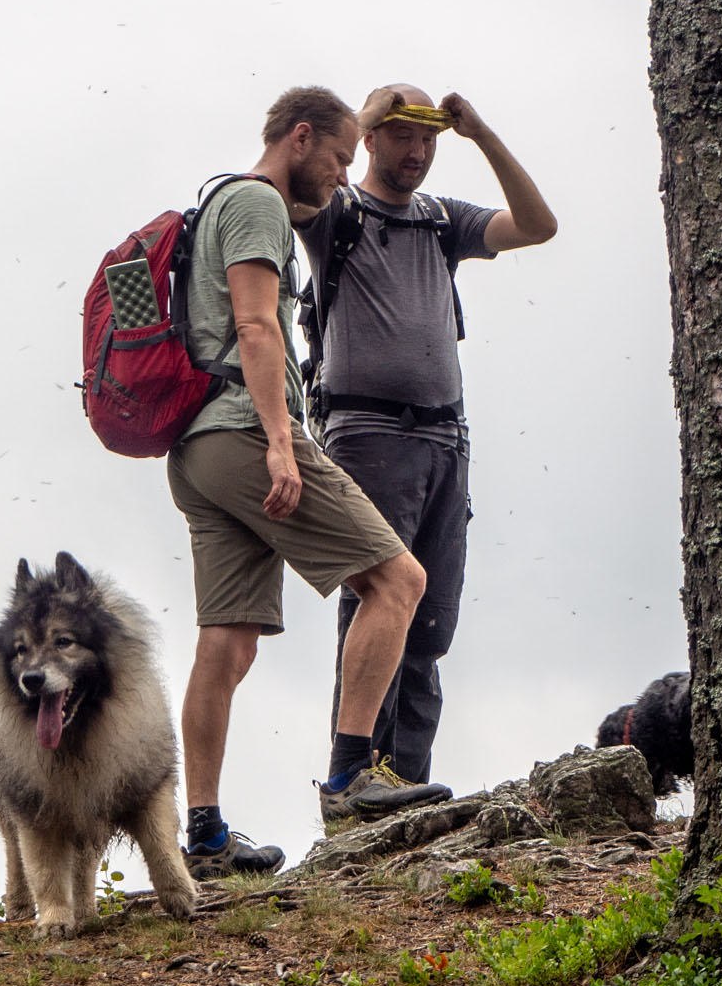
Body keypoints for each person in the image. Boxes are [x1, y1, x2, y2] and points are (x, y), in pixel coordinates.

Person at [168, 86, 448, 881]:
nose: (340, 179)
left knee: (227, 641)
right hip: (247, 433)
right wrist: (284, 445)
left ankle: (206, 835)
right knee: (399, 580)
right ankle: (352, 777)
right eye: (337, 159)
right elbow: (257, 326)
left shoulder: (216, 200)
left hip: (195, 448)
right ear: (300, 138)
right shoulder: (258, 203)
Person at [291, 84, 557, 820]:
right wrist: (336, 142)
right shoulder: (340, 215)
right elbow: (288, 191)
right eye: (401, 137)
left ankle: (407, 792)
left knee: (430, 626)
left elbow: (538, 225)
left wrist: (483, 134)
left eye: (428, 140)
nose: (416, 153)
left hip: (447, 437)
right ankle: (356, 785)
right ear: (370, 140)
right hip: (366, 433)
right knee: (379, 603)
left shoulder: (444, 221)